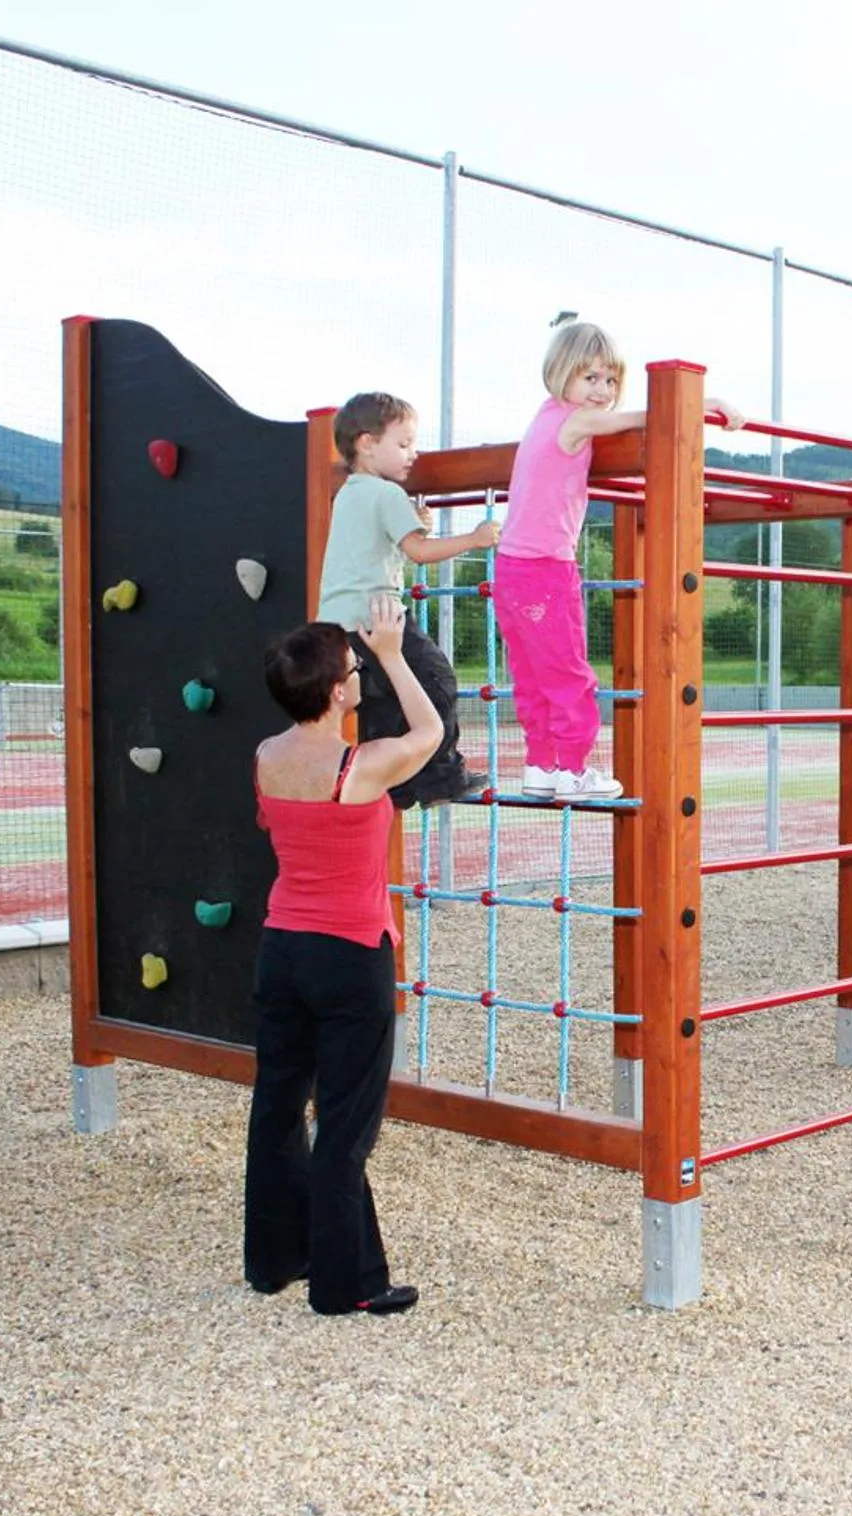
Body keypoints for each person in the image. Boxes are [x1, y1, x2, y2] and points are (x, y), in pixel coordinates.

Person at [247, 600, 440, 1317]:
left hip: (282, 950)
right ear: (335, 692)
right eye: (351, 669)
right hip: (350, 954)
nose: (358, 672)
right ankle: (347, 1283)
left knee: (276, 1107)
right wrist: (391, 652)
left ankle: (273, 1261)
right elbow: (430, 731)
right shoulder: (358, 767)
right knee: (345, 1122)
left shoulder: (266, 758)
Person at [494, 320, 741, 801]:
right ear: (560, 374)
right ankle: (571, 767)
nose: (602, 392)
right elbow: (633, 419)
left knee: (532, 672)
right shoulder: (575, 419)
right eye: (591, 378)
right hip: (546, 567)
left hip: (510, 567)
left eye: (610, 381)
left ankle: (542, 763)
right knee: (568, 671)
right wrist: (699, 405)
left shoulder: (542, 419)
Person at [320, 391, 496, 811]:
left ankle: (391, 789)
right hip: (377, 618)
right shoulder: (386, 494)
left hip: (337, 625)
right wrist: (475, 538)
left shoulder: (348, 492)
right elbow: (419, 552)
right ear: (366, 443)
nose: (412, 455)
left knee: (380, 702)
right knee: (437, 681)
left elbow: (377, 550)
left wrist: (411, 528)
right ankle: (441, 777)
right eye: (403, 444)